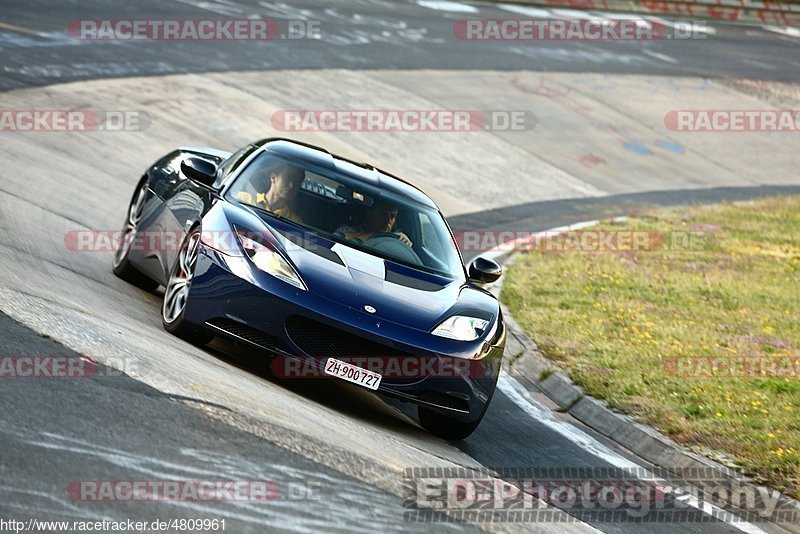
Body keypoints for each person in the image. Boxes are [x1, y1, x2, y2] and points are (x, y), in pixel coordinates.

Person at [236, 162, 305, 223]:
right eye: (287, 178)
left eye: (297, 183)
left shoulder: (294, 221)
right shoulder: (242, 199)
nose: (291, 185)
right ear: (273, 177)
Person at [337, 199, 412, 247]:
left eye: (392, 216)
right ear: (369, 214)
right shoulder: (345, 231)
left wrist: (405, 244)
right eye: (383, 214)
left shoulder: (397, 240)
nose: (388, 220)